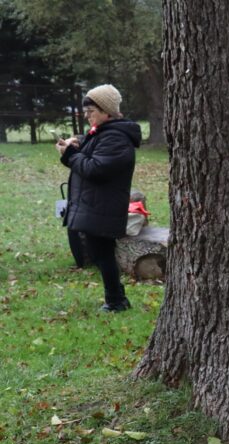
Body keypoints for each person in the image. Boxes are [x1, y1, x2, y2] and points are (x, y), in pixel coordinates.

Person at [57, 84, 141, 312]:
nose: (87, 116)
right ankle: (116, 298)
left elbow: (96, 169)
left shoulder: (116, 138)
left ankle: (116, 301)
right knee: (99, 252)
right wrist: (74, 147)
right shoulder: (103, 134)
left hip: (103, 204)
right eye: (85, 112)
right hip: (96, 203)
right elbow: (87, 157)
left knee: (102, 254)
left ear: (106, 111)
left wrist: (72, 155)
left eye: (91, 111)